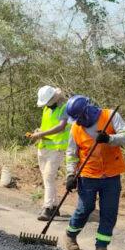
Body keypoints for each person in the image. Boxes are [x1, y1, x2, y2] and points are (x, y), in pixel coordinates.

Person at [63, 96, 125, 250]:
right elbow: (71, 154)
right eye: (76, 119)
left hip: (111, 175)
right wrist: (71, 175)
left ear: (88, 111)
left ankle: (101, 247)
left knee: (109, 212)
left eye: (80, 118)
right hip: (88, 175)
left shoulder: (110, 116)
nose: (78, 122)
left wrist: (109, 139)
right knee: (85, 208)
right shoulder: (75, 128)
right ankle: (70, 235)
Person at [30, 86, 70, 221]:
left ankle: (47, 208)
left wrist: (42, 134)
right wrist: (39, 131)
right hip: (44, 146)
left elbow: (61, 126)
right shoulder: (47, 109)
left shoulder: (64, 108)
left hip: (57, 148)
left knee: (48, 176)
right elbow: (46, 126)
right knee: (47, 178)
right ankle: (54, 206)